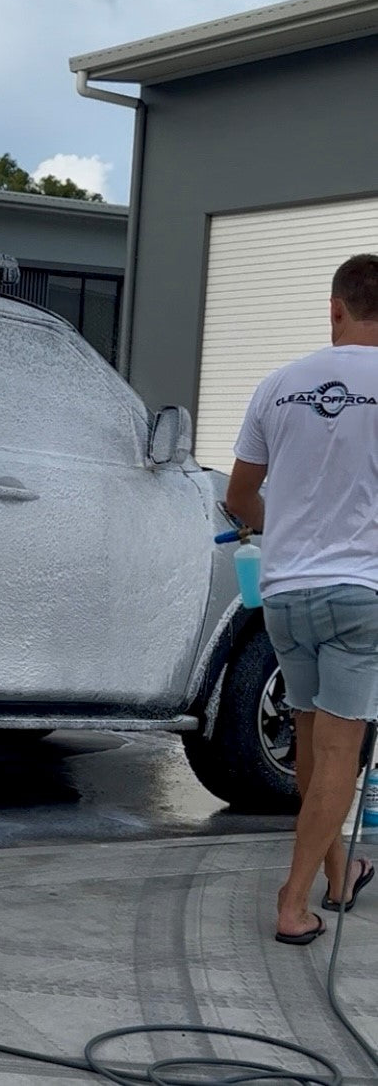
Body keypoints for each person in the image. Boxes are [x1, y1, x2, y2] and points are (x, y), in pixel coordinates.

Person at [226, 253, 378, 946]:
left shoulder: (277, 384)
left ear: (334, 310)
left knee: (313, 750)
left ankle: (339, 875)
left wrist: (273, 524)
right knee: (340, 755)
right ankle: (292, 902)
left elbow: (237, 497)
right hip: (358, 595)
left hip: (284, 594)